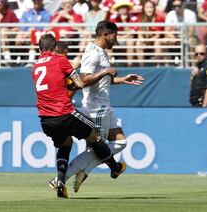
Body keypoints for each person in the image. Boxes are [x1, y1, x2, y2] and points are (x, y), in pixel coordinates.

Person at [48, 21, 143, 193]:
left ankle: (83, 171)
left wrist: (122, 79)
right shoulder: (93, 53)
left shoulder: (102, 52)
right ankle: (60, 178)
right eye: (115, 36)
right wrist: (105, 72)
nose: (116, 40)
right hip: (96, 108)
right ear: (105, 34)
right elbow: (84, 80)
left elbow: (100, 80)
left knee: (120, 142)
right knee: (99, 147)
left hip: (104, 105)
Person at [32, 33, 126, 198]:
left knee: (65, 143)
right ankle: (114, 167)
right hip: (65, 113)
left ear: (40, 49)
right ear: (55, 47)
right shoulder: (60, 60)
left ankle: (60, 181)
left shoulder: (35, 66)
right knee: (95, 137)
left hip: (45, 118)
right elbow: (81, 83)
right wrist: (103, 72)